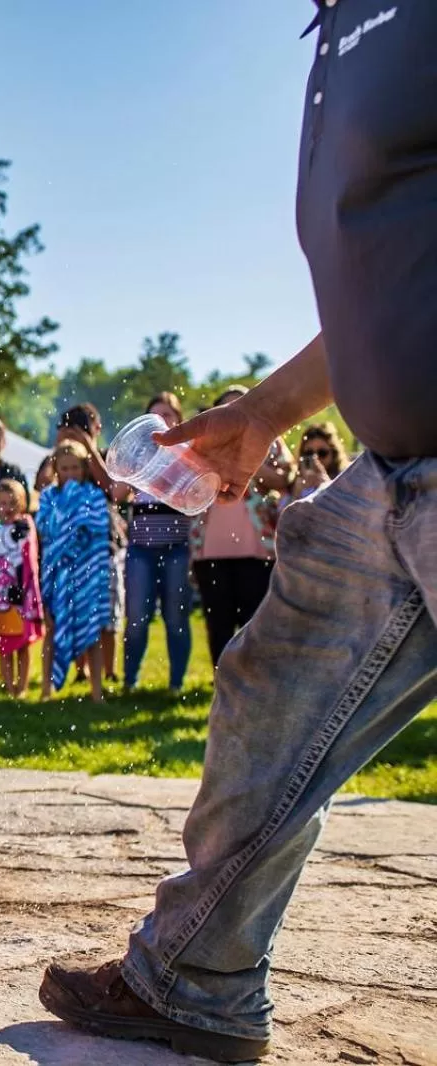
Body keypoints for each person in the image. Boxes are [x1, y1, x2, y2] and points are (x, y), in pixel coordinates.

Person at [40, 8, 437, 1060]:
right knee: (269, 691)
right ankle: (195, 979)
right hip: (388, 476)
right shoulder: (342, 32)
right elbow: (379, 273)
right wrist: (266, 410)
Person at [190, 387, 294, 668]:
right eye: (227, 409)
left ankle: (254, 689)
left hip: (258, 550)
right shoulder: (203, 446)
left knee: (255, 622)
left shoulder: (269, 440)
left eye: (241, 407)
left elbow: (286, 478)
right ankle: (222, 686)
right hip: (209, 551)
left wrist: (247, 461)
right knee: (218, 623)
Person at [122, 392, 195, 694]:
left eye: (168, 415)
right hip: (140, 550)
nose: (163, 422)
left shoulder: (190, 456)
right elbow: (116, 493)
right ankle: (130, 681)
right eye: (156, 416)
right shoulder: (134, 457)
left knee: (177, 616)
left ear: (179, 421)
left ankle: (176, 683)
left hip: (177, 548)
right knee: (137, 617)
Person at [36, 441, 111, 703]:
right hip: (57, 574)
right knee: (53, 630)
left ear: (84, 468)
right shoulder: (47, 497)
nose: (70, 473)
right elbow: (44, 528)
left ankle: (97, 692)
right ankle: (46, 689)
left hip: (87, 572)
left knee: (91, 631)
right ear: (56, 469)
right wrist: (68, 519)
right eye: (64, 468)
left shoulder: (94, 496)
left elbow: (99, 527)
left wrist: (72, 523)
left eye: (75, 468)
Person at [0, 479, 43, 697]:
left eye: (12, 503)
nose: (7, 508)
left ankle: (22, 687)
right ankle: (9, 688)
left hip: (21, 595)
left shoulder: (24, 526)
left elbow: (28, 558)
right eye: (3, 503)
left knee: (23, 644)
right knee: (4, 642)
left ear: (22, 503)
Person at [291, 421, 346, 502]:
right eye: (309, 453)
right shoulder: (294, 481)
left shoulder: (346, 479)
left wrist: (326, 486)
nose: (315, 459)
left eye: (322, 453)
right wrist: (295, 496)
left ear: (334, 454)